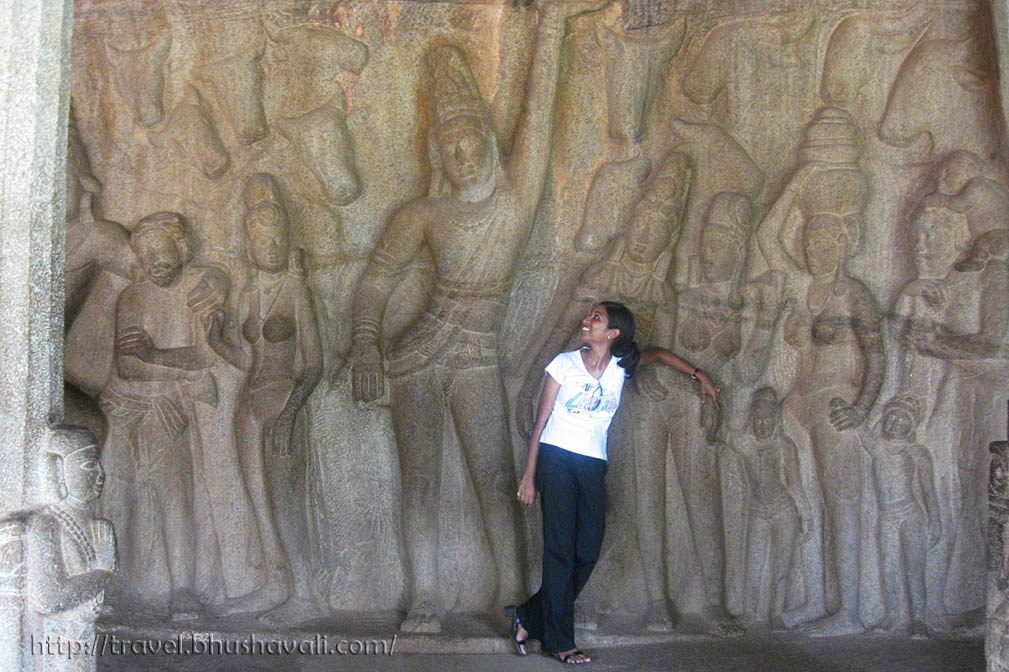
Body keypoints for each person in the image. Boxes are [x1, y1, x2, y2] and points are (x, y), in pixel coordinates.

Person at [507, 301, 719, 664]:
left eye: (596, 318)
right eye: (589, 315)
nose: (586, 321)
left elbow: (663, 355)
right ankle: (560, 643)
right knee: (559, 552)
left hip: (593, 464)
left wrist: (700, 375)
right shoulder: (564, 364)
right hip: (556, 460)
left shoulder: (622, 366)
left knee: (587, 550)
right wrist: (529, 475)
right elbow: (539, 423)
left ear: (613, 333)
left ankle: (529, 615)